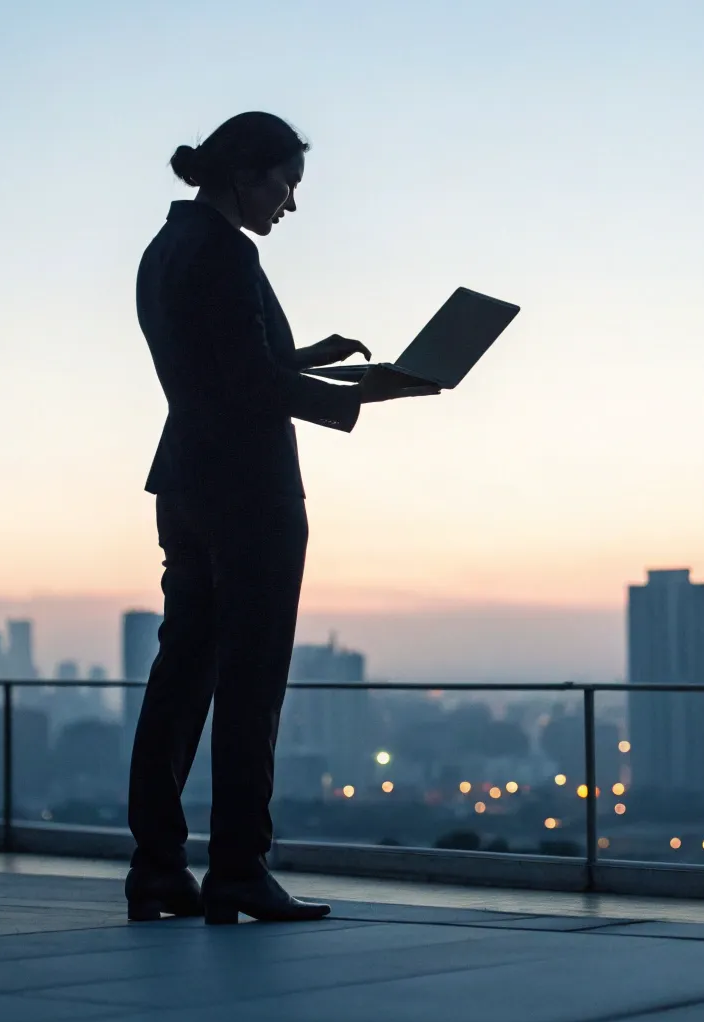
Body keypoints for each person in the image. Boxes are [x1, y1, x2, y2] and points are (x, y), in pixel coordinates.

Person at [124, 111, 434, 924]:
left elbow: (220, 365)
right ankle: (239, 868)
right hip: (248, 488)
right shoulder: (228, 251)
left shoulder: (166, 249)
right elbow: (249, 390)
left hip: (185, 479)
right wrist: (366, 393)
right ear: (245, 175)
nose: (290, 204)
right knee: (252, 680)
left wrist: (308, 357)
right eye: (286, 183)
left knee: (181, 677)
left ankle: (157, 868)